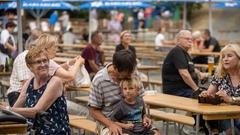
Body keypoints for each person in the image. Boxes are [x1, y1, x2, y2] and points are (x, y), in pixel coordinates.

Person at [1, 47, 71, 134]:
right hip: (34, 131)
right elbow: (16, 107)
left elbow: (37, 111)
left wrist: (8, 109)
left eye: (45, 60)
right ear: (29, 66)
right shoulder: (30, 82)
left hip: (54, 131)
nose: (43, 64)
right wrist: (5, 110)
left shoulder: (55, 81)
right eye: (38, 62)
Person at [88, 50, 154, 135]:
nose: (130, 76)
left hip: (136, 122)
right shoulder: (99, 80)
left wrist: (144, 117)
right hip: (108, 122)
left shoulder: (133, 73)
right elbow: (93, 110)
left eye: (132, 72)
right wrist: (111, 124)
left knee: (157, 133)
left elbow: (139, 99)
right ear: (115, 68)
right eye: (126, 74)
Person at [199, 44, 240, 134]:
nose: (225, 59)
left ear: (238, 58)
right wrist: (206, 95)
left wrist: (230, 99)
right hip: (226, 115)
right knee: (230, 125)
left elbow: (229, 99)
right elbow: (210, 93)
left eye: (229, 56)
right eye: (223, 57)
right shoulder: (220, 74)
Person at [162, 30, 207, 98]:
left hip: (184, 89)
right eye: (187, 39)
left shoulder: (184, 52)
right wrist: (197, 89)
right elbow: (184, 74)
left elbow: (189, 67)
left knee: (210, 93)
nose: (190, 41)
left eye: (191, 39)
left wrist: (199, 73)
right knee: (205, 98)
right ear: (178, 40)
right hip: (176, 91)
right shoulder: (177, 51)